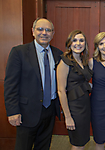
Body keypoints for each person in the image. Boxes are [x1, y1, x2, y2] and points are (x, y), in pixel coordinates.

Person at [4, 18, 63, 150]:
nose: (44, 33)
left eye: (48, 30)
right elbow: (11, 85)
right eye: (40, 29)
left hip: (50, 110)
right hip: (26, 112)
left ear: (53, 34)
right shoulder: (19, 52)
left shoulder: (58, 54)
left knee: (44, 146)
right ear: (33, 31)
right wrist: (13, 111)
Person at [56, 30, 92, 150]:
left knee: (82, 142)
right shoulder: (64, 62)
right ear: (69, 43)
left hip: (85, 107)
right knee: (78, 144)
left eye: (81, 40)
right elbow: (61, 91)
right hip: (74, 109)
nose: (78, 43)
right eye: (74, 40)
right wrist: (67, 116)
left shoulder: (83, 61)